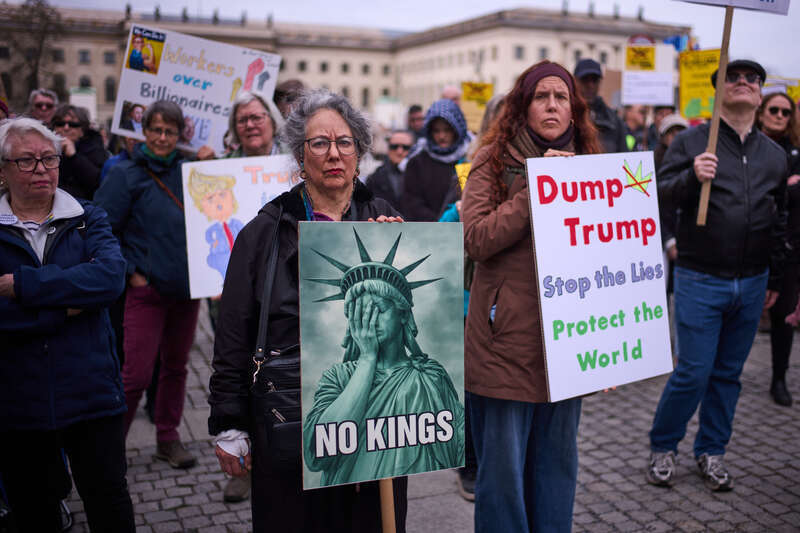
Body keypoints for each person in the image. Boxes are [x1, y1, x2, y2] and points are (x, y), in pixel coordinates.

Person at [208, 89, 408, 532]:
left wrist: (398, 255)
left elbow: (416, 324)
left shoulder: (384, 219)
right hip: (292, 422)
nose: (333, 154)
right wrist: (229, 422)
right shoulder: (265, 233)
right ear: (300, 156)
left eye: (344, 142)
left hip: (378, 427)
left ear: (359, 153)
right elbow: (234, 333)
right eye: (319, 143)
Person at [461, 60, 601, 532]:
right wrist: (538, 188)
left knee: (557, 468)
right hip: (505, 344)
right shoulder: (492, 160)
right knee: (503, 478)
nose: (552, 106)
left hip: (568, 340)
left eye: (562, 97)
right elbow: (475, 239)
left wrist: (613, 339)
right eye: (542, 97)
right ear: (523, 107)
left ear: (574, 109)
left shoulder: (593, 165)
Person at [647, 59, 788, 492]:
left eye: (752, 79)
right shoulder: (691, 142)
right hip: (699, 278)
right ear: (718, 91)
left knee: (728, 374)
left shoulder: (774, 155)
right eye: (733, 77)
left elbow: (779, 219)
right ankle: (663, 445)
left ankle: (712, 450)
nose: (743, 82)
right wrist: (692, 176)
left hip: (752, 281)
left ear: (760, 94)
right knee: (693, 371)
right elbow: (658, 195)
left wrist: (776, 279)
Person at [0, 117, 134, 532]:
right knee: (34, 508)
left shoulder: (86, 217)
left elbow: (109, 278)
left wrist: (22, 286)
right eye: (26, 160)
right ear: (3, 169)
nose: (41, 169)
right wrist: (67, 308)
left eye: (49, 158)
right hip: (19, 400)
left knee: (109, 500)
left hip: (91, 391)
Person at [302, 230, 465, 487]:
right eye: (358, 312)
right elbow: (317, 452)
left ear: (403, 314)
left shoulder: (430, 375)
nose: (368, 320)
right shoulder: (338, 377)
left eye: (377, 308)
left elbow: (457, 440)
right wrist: (367, 359)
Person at [95, 101, 200, 470]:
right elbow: (102, 228)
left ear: (180, 134)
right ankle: (111, 449)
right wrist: (131, 271)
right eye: (156, 129)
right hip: (147, 291)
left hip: (186, 290)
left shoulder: (191, 172)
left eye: (169, 131)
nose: (162, 138)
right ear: (144, 131)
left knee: (176, 366)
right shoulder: (125, 173)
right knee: (136, 374)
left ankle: (167, 438)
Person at [758, 91, 800, 407]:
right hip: (748, 245)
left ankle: (779, 378)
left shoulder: (794, 152)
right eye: (774, 109)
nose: (780, 116)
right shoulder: (748, 147)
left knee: (783, 316)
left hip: (786, 250)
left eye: (786, 112)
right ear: (761, 112)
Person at [403, 99, 471, 221]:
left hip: (460, 229)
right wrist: (438, 224)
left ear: (457, 130)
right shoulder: (417, 163)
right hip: (425, 229)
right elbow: (412, 203)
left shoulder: (467, 161)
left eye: (447, 130)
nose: (442, 136)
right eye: (436, 131)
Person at [197, 91, 284, 161]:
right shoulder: (221, 168)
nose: (249, 125)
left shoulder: (292, 159)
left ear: (273, 121)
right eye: (242, 120)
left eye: (256, 118)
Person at [50, 104, 107, 200]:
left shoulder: (95, 148)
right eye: (60, 124)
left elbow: (96, 182)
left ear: (82, 129)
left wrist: (74, 156)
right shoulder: (45, 147)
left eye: (73, 124)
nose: (66, 128)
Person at [574, 58, 628, 153]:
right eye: (585, 80)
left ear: (600, 83)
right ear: (575, 81)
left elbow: (624, 155)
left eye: (594, 80)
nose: (590, 85)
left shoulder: (615, 121)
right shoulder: (565, 116)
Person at [365, 129, 414, 210]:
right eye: (394, 147)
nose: (399, 151)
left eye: (405, 147)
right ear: (388, 148)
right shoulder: (375, 177)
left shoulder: (420, 175)